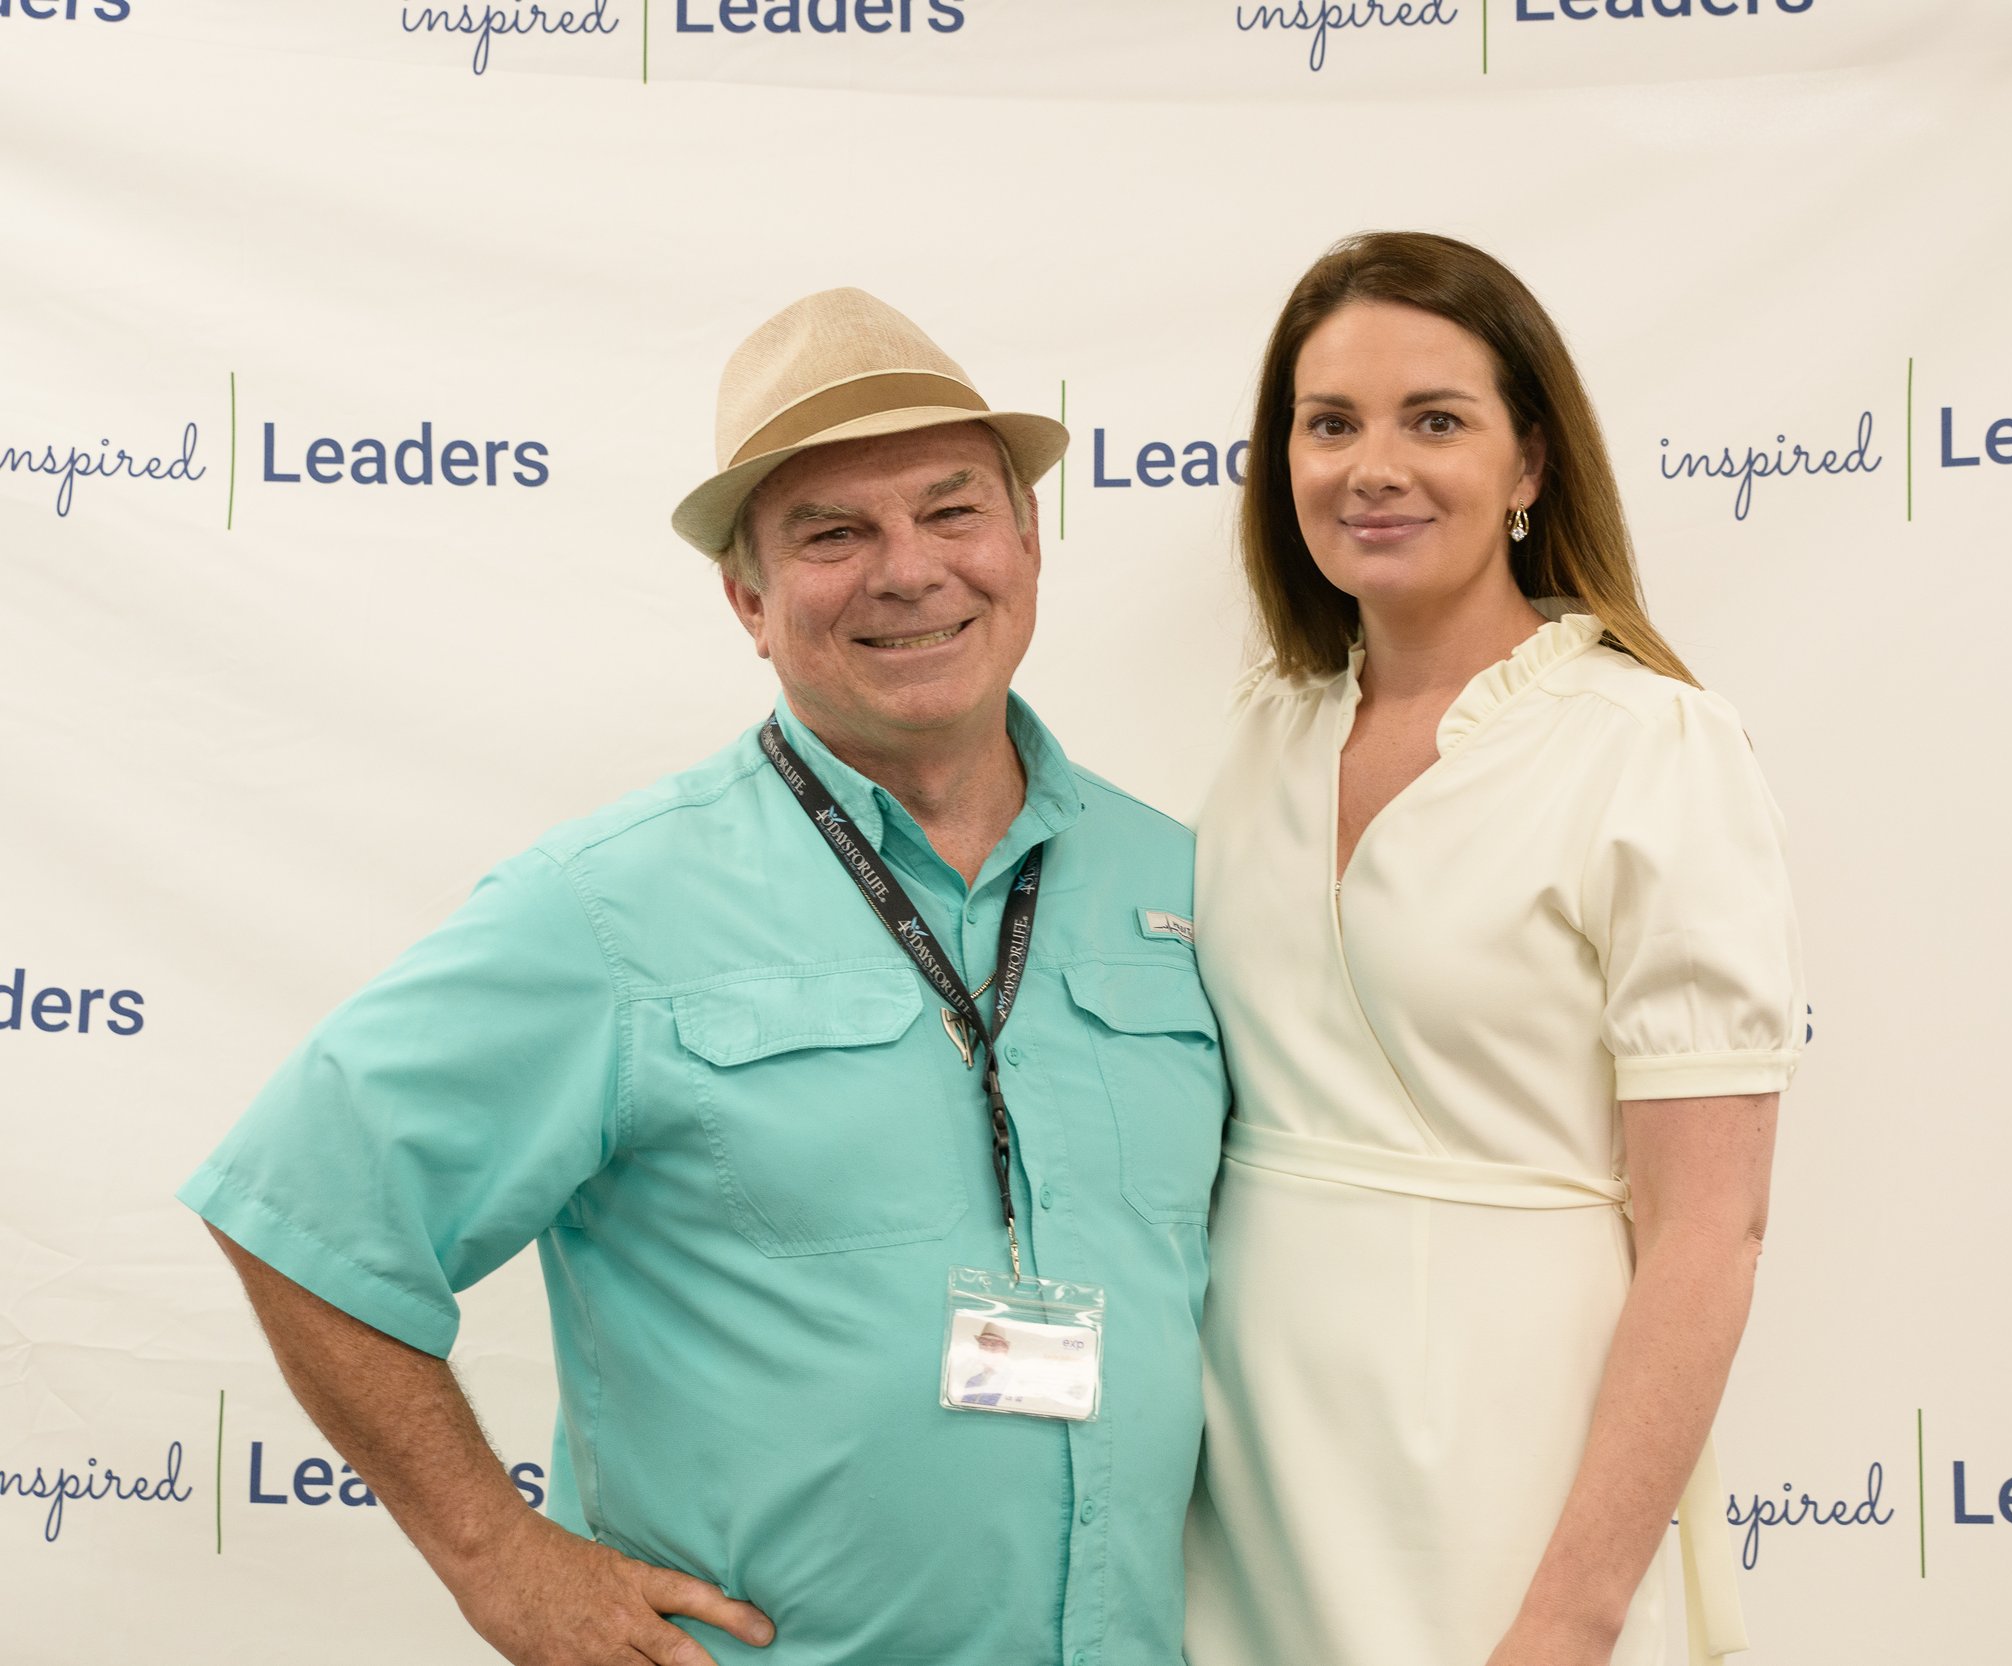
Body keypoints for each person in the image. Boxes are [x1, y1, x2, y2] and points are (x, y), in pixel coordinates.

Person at [178, 288, 1228, 1666]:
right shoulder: (607, 906)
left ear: (1028, 540)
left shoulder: (1186, 884)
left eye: (953, 511)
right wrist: (499, 1560)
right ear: (749, 598)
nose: (910, 569)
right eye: (833, 534)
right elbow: (298, 1203)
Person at [1183, 232, 1804, 1666]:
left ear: (1530, 461)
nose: (1371, 467)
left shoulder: (1652, 748)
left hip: (1506, 1460)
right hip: (1242, 1466)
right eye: (1329, 423)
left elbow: (1709, 1230)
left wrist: (1571, 1615)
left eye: (1435, 421)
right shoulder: (1263, 733)